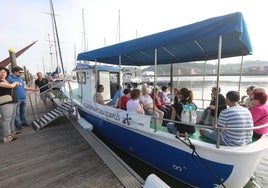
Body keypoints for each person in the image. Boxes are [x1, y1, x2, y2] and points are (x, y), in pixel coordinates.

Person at [0, 67, 20, 143]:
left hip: (12, 101)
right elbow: (11, 86)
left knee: (12, 118)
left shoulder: (6, 80)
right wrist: (15, 83)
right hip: (6, 103)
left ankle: (12, 132)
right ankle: (7, 137)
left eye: (4, 72)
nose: (3, 73)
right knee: (6, 119)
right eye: (1, 72)